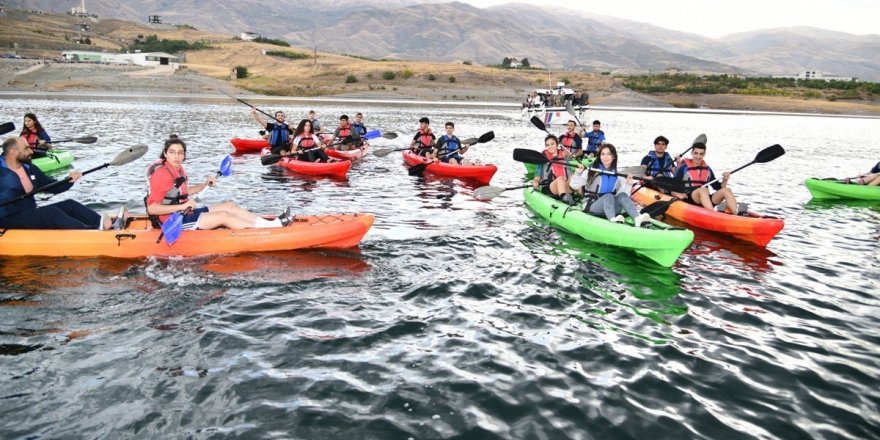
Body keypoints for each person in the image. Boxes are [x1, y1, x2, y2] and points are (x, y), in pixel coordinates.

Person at [146, 136, 292, 230]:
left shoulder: (178, 168)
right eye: (172, 152)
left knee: (229, 206)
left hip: (183, 212)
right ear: (165, 153)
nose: (176, 156)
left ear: (184, 155)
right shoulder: (162, 174)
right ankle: (268, 229)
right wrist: (184, 206)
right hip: (171, 222)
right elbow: (152, 208)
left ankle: (270, 224)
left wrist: (203, 185)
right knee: (224, 216)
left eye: (180, 153)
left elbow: (181, 193)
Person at [0, 136, 119, 230]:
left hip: (29, 213)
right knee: (51, 213)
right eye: (26, 148)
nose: (31, 151)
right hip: (7, 219)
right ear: (13, 152)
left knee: (70, 205)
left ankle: (104, 223)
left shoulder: (29, 168)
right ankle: (91, 231)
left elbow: (52, 187)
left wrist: (69, 180)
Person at [575, 144, 651, 227]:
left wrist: (629, 184)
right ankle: (612, 221)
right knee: (608, 195)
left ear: (613, 156)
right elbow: (574, 186)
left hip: (611, 207)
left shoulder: (618, 175)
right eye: (603, 154)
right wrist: (578, 174)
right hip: (592, 206)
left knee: (622, 195)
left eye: (609, 154)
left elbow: (625, 196)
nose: (605, 157)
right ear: (599, 156)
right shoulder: (591, 171)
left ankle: (637, 218)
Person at [672, 141, 744, 214]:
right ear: (692, 153)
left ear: (704, 154)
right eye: (696, 153)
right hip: (690, 198)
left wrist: (725, 180)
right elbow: (672, 186)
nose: (698, 156)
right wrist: (678, 194)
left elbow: (718, 187)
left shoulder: (707, 169)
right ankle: (713, 215)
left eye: (701, 154)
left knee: (727, 190)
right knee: (703, 190)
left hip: (706, 199)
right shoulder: (683, 168)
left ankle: (736, 214)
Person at [532, 134, 576, 205]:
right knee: (560, 179)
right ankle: (564, 200)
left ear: (557, 144)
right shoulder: (542, 159)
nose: (550, 147)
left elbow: (570, 175)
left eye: (552, 144)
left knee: (575, 177)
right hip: (550, 188)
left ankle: (585, 197)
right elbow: (537, 177)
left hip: (565, 187)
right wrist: (536, 182)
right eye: (547, 145)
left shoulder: (563, 156)